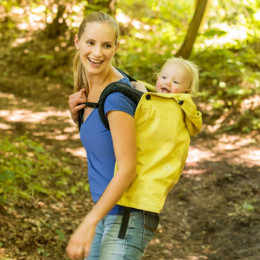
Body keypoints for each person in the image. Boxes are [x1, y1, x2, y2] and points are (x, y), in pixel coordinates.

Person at [66, 11, 159, 260]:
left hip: (127, 214)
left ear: (116, 47)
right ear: (77, 42)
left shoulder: (116, 98)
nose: (97, 53)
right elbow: (103, 145)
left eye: (106, 45)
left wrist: (88, 222)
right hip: (106, 209)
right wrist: (79, 118)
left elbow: (127, 169)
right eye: (91, 43)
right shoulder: (89, 87)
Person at [132, 57, 199, 95]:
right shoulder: (155, 93)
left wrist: (138, 85)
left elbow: (148, 104)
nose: (167, 82)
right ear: (157, 76)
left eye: (175, 82)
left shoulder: (175, 105)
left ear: (186, 92)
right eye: (164, 77)